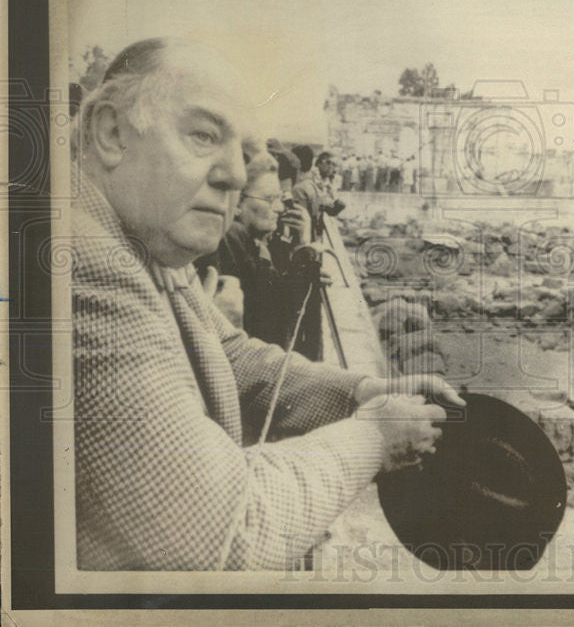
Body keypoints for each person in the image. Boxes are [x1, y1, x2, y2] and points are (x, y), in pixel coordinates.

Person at [70, 37, 463, 571]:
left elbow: (228, 354)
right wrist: (374, 434)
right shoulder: (81, 261)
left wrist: (365, 392)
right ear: (112, 133)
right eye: (204, 135)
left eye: (245, 152)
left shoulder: (146, 241)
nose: (234, 174)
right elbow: (227, 535)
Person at [196, 152, 311, 348]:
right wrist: (303, 259)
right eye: (269, 199)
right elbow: (274, 326)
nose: (280, 207)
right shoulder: (230, 240)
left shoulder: (246, 241)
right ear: (237, 202)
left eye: (279, 198)